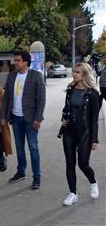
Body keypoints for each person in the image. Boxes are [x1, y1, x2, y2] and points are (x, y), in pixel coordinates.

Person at [1, 50, 46, 189]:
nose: (15, 63)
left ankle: (37, 177)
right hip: (15, 118)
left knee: (33, 148)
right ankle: (21, 172)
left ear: (26, 61)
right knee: (19, 148)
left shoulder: (36, 76)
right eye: (15, 60)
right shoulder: (11, 76)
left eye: (18, 60)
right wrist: (4, 116)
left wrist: (38, 118)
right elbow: (7, 97)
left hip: (31, 119)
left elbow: (41, 99)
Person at [60, 62, 99, 206]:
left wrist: (95, 139)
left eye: (77, 72)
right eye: (74, 71)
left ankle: (93, 183)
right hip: (69, 131)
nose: (74, 74)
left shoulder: (93, 94)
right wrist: (63, 118)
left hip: (85, 133)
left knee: (83, 164)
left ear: (84, 74)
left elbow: (94, 119)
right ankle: (73, 193)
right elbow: (66, 108)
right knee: (70, 163)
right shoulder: (70, 89)